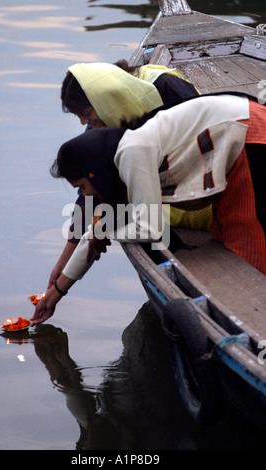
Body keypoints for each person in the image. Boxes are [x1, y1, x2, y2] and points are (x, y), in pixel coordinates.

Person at [30, 92, 266, 325]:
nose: (86, 195)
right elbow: (91, 239)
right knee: (224, 234)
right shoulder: (115, 161)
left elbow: (150, 229)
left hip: (249, 133)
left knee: (248, 242)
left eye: (82, 186)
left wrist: (104, 231)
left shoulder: (132, 151)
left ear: (93, 171)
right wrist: (56, 293)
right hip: (237, 133)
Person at [48, 61, 211, 291]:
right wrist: (62, 269)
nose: (84, 123)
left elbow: (207, 144)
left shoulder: (167, 88)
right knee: (113, 207)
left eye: (85, 113)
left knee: (119, 213)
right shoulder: (105, 119)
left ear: (103, 98)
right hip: (165, 200)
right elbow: (90, 191)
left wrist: (103, 230)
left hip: (202, 190)